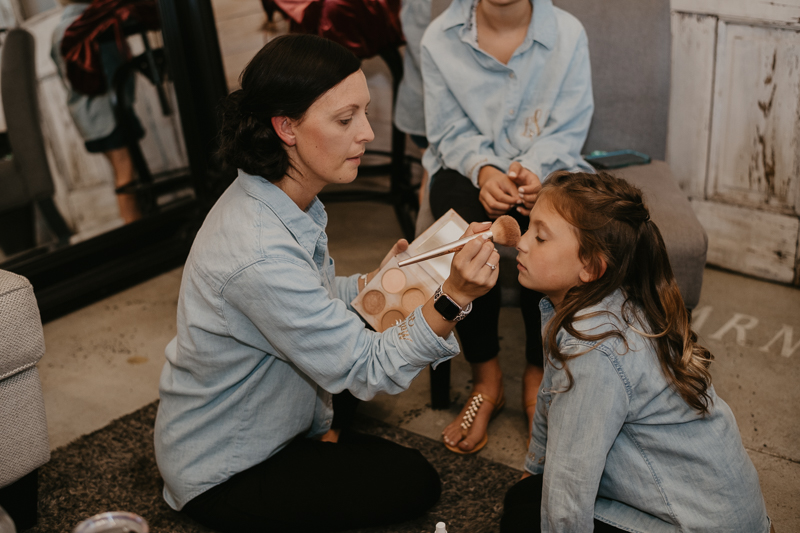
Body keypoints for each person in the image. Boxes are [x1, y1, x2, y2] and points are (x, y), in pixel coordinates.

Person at [153, 34, 501, 532]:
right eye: (345, 119)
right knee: (415, 480)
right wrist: (452, 299)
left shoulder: (276, 197)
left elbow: (315, 295)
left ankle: (326, 435)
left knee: (366, 340)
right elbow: (366, 368)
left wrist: (385, 279)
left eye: (364, 113)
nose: (366, 134)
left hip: (276, 421)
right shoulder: (257, 250)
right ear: (286, 127)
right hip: (224, 469)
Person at [500, 171, 771, 532]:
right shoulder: (610, 300)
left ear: (591, 267)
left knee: (526, 518)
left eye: (541, 236)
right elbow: (550, 405)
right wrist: (532, 474)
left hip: (696, 524)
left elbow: (569, 489)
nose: (522, 242)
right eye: (528, 227)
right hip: (727, 515)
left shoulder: (592, 352)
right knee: (528, 499)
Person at [420, 0, 594, 454]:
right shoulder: (439, 38)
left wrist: (534, 171)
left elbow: (569, 126)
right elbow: (447, 131)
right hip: (466, 168)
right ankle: (487, 377)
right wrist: (485, 171)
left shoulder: (568, 34)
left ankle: (538, 374)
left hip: (549, 164)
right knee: (468, 231)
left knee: (551, 227)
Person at [51, 0, 145, 224]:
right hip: (104, 111)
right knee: (125, 170)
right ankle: (132, 226)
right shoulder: (91, 24)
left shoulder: (61, 29)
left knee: (124, 168)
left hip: (89, 114)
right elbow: (113, 64)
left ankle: (139, 218)